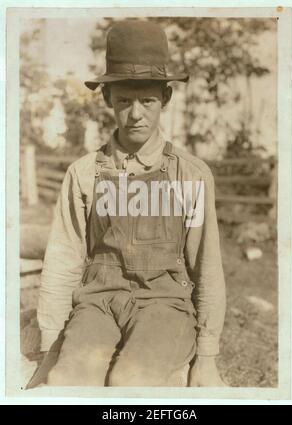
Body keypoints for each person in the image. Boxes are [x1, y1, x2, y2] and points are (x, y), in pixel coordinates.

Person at [31, 19, 226, 387]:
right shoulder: (84, 173)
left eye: (147, 100)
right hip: (97, 304)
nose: (136, 114)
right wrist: (49, 350)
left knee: (129, 380)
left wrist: (207, 357)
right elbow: (62, 263)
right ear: (107, 100)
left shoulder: (191, 174)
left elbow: (207, 268)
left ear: (165, 98)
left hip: (164, 306)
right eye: (124, 101)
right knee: (68, 380)